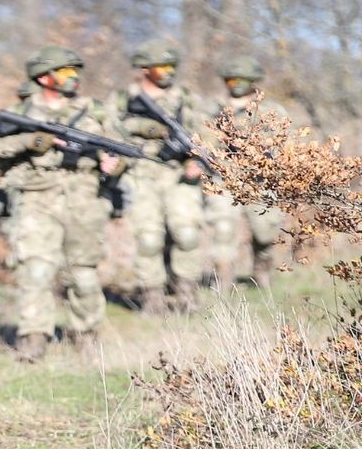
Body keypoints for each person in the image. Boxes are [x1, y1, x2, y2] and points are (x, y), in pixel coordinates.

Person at [0, 46, 126, 361]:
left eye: (75, 72)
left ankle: (86, 337)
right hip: (36, 200)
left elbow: (122, 153)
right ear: (43, 77)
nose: (73, 78)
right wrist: (27, 142)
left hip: (85, 199)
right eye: (65, 72)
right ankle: (33, 339)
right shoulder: (22, 114)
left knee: (83, 274)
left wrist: (115, 166)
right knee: (35, 271)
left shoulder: (96, 111)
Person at [111, 40, 209, 313]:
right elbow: (110, 130)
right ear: (144, 69)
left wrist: (197, 161)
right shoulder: (123, 99)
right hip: (140, 175)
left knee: (188, 234)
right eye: (161, 67)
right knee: (149, 239)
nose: (168, 72)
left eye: (171, 66)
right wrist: (146, 128)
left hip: (178, 175)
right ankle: (152, 297)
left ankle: (187, 294)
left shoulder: (186, 98)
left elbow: (205, 133)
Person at [206, 54, 288, 288]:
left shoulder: (271, 110)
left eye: (243, 79)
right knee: (222, 228)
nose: (237, 85)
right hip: (224, 176)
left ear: (254, 81)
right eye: (232, 80)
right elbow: (201, 140)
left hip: (260, 178)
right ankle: (223, 281)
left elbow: (284, 144)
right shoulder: (212, 109)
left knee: (265, 233)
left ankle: (261, 275)